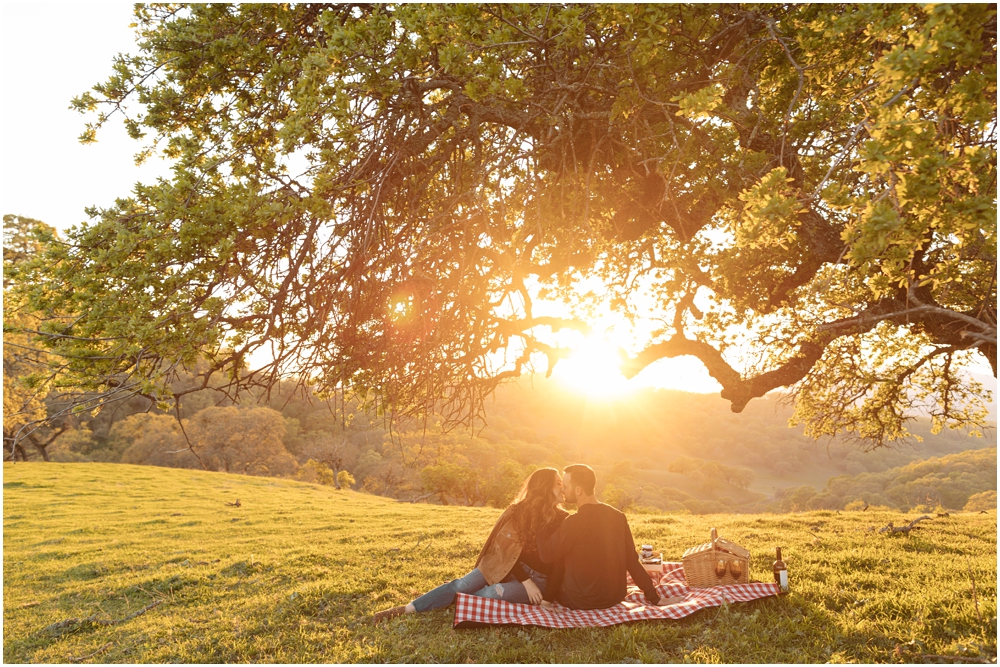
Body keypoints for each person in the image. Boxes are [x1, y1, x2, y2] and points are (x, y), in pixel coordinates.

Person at [372, 467, 568, 624]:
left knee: (492, 593)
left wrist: (546, 598)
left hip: (539, 580)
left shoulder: (562, 519)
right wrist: (525, 580)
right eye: (559, 483)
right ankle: (408, 609)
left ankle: (450, 600)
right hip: (503, 564)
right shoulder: (518, 512)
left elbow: (559, 564)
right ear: (544, 486)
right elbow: (505, 551)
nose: (563, 488)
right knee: (461, 585)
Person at [537, 464, 684, 610]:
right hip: (614, 597)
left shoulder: (573, 522)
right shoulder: (618, 516)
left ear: (578, 490)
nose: (563, 489)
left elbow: (546, 555)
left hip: (580, 600)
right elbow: (632, 562)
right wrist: (654, 598)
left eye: (566, 486)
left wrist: (540, 515)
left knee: (561, 554)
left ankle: (546, 600)